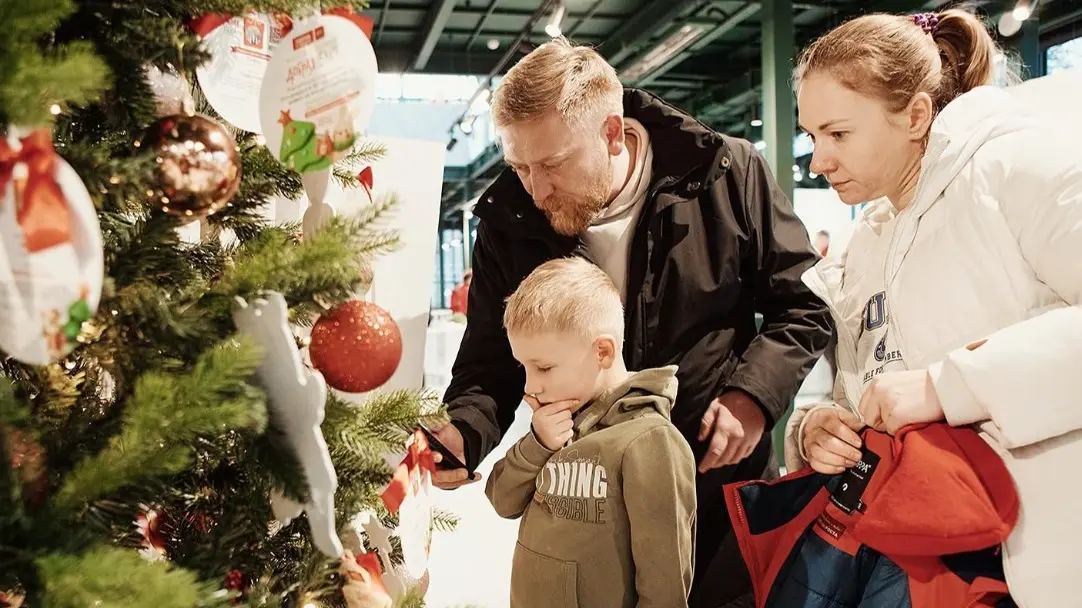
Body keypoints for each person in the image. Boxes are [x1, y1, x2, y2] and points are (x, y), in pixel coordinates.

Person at [432, 37, 832, 606]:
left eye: (551, 164)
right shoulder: (510, 217)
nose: (536, 188)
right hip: (585, 516)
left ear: (613, 133)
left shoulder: (725, 172)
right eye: (519, 166)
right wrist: (463, 432)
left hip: (715, 492)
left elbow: (806, 303)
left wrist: (753, 395)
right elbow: (489, 361)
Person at [783, 9, 1082, 606]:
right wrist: (816, 428)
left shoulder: (1019, 169)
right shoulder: (866, 238)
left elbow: (933, 384)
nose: (818, 161)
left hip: (1037, 557)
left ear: (916, 115)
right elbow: (868, 384)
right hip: (919, 558)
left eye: (838, 134)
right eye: (812, 136)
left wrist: (953, 385)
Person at [485, 257, 696, 607]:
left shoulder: (649, 441)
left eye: (544, 367)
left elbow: (664, 585)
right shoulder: (556, 421)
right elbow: (502, 501)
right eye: (524, 367)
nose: (530, 386)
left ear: (602, 351)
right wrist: (536, 445)